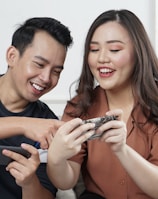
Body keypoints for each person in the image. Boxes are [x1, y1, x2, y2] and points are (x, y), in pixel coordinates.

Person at [47, 9, 158, 199]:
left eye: (114, 50)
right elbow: (66, 180)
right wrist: (56, 158)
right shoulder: (80, 106)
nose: (101, 58)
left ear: (138, 52)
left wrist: (121, 150)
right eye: (94, 49)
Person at [0, 17, 73, 199]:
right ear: (12, 56)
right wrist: (24, 125)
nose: (47, 78)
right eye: (39, 64)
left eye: (56, 71)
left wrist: (29, 182)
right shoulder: (37, 125)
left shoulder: (48, 125)